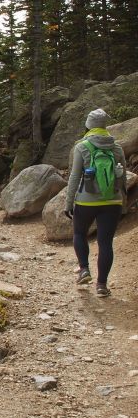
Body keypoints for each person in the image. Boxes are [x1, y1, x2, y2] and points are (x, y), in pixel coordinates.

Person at [64, 108, 128, 297]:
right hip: (112, 200)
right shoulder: (116, 147)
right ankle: (102, 285)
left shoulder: (82, 146)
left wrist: (68, 202)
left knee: (79, 233)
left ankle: (84, 269)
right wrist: (122, 202)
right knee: (105, 242)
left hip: (86, 201)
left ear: (89, 125)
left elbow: (75, 177)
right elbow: (123, 177)